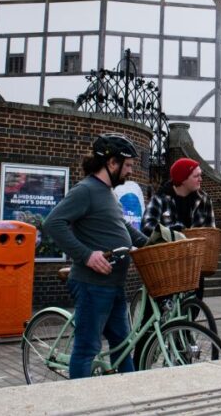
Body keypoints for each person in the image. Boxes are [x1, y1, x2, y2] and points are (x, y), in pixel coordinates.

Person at [44, 133, 149, 379]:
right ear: (112, 163)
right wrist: (87, 255)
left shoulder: (109, 193)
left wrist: (154, 242)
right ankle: (82, 398)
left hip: (114, 285)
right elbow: (53, 223)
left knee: (123, 347)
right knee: (86, 350)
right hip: (92, 285)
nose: (130, 171)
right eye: (128, 165)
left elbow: (123, 227)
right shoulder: (86, 190)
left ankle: (129, 395)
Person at [141, 157, 215, 300]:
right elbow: (147, 227)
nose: (200, 179)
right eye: (196, 176)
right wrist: (173, 233)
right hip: (167, 264)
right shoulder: (161, 198)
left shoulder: (204, 200)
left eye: (200, 175)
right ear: (183, 179)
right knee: (160, 304)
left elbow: (211, 231)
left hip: (193, 263)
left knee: (194, 306)